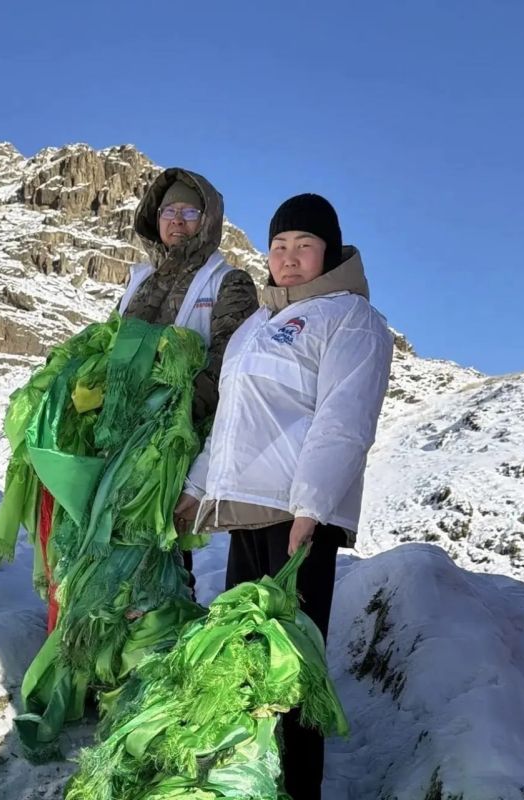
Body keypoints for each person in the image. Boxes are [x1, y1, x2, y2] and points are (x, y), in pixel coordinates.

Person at [174, 193, 393, 799]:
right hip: (247, 512)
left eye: (304, 246)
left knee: (292, 669)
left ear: (329, 251)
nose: (289, 258)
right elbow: (231, 421)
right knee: (244, 661)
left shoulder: (350, 317)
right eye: (279, 246)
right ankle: (248, 782)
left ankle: (300, 790)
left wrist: (312, 507)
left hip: (298, 517)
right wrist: (196, 487)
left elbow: (343, 420)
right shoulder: (255, 324)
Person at [119, 167, 259, 581]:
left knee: (163, 553)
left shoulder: (228, 282)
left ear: (208, 220)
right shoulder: (138, 280)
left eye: (189, 212)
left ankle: (164, 634)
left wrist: (171, 417)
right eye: (168, 210)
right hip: (122, 435)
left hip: (177, 440)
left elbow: (226, 366)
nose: (177, 221)